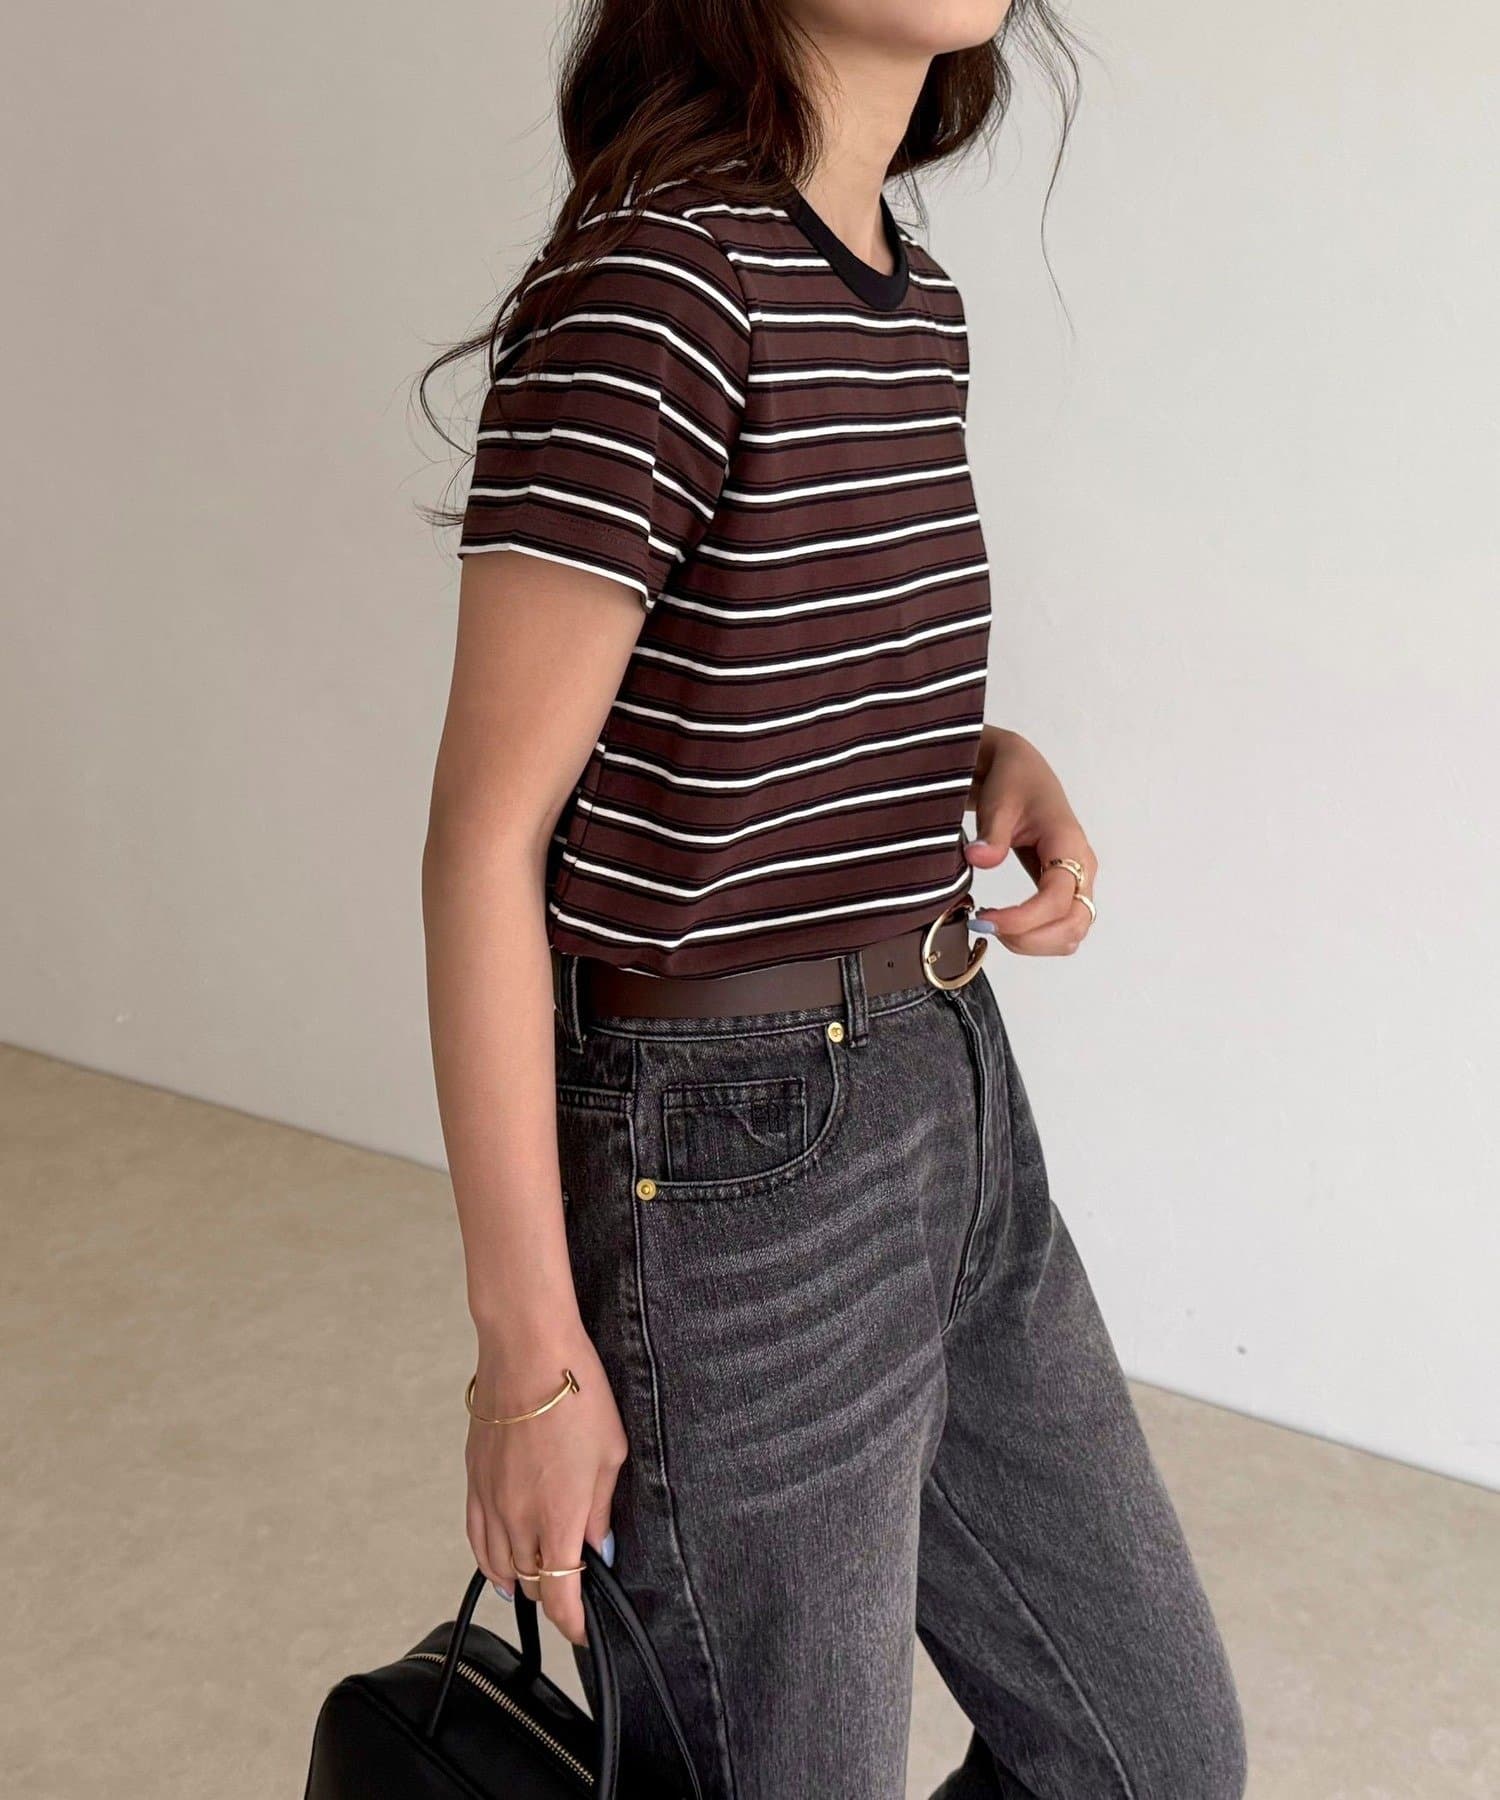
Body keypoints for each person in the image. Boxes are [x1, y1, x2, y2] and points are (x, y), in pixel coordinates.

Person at [420, 2, 1247, 1794]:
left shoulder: (905, 298)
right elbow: (487, 839)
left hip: (950, 1089)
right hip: (735, 1166)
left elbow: (744, 675)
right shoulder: (658, 286)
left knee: (1152, 1755)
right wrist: (525, 1363)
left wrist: (979, 758)